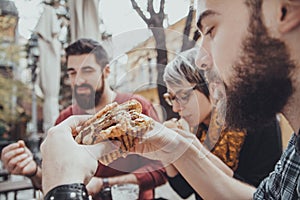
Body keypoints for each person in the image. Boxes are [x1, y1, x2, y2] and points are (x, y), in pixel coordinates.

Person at [1, 38, 166, 200]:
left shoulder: (136, 108)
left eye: (87, 70)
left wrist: (104, 183)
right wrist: (33, 171)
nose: (78, 80)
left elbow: (162, 169)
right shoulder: (66, 120)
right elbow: (54, 182)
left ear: (106, 71)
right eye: (72, 72)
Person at [162, 48, 282, 199]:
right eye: (171, 98)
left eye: (183, 96)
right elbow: (183, 190)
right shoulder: (195, 129)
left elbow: (262, 193)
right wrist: (165, 150)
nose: (176, 108)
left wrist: (197, 151)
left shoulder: (258, 121)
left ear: (213, 88)